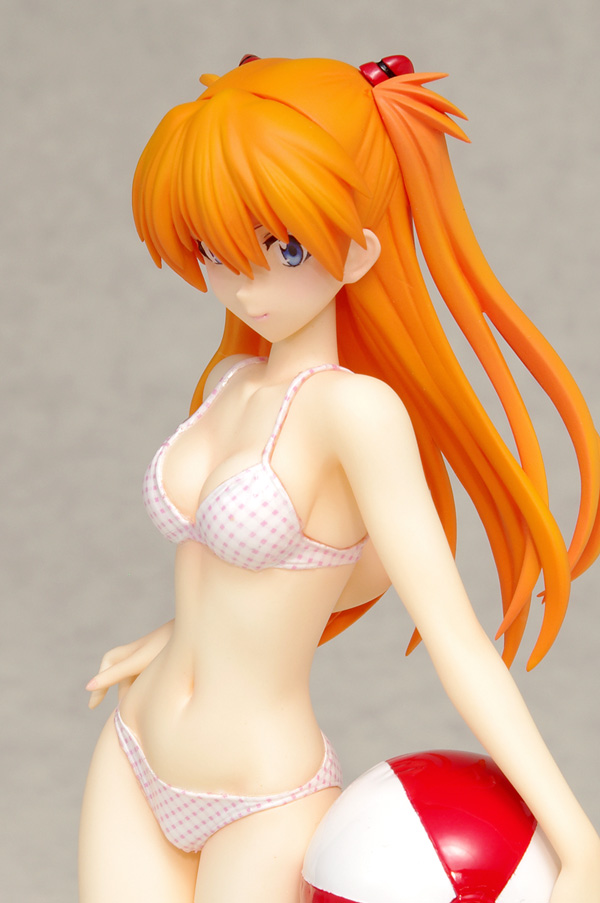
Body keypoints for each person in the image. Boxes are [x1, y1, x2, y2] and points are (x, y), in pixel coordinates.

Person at [78, 55, 600, 902]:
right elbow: (238, 583)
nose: (245, 284)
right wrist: (174, 636)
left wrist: (576, 838)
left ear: (358, 250)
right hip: (135, 750)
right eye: (214, 248)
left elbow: (457, 639)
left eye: (282, 247)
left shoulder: (357, 413)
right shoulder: (229, 384)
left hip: (261, 796)